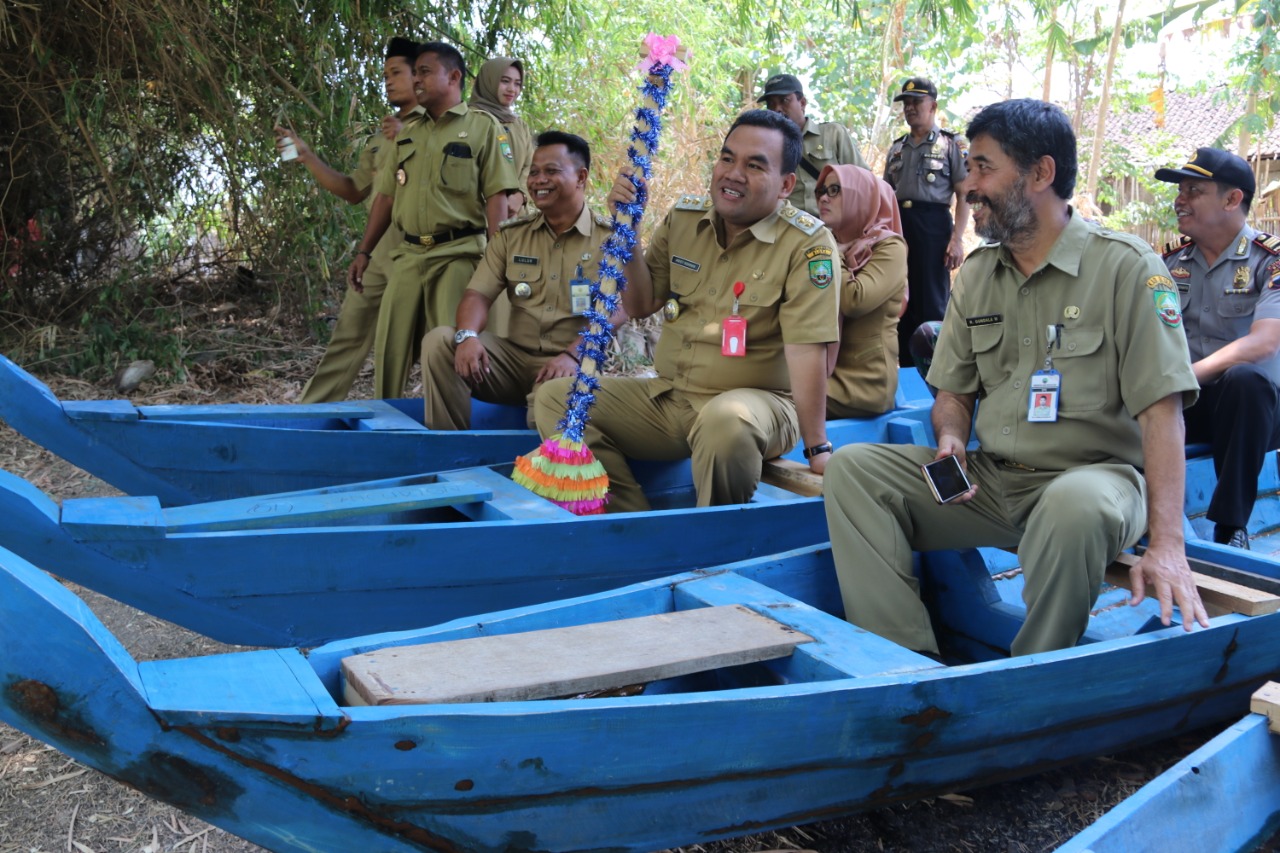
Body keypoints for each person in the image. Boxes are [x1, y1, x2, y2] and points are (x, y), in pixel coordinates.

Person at [823, 98, 1208, 659]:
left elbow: (1162, 411)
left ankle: (1027, 675)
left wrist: (1169, 544)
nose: (969, 185)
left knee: (1072, 506)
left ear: (1040, 174)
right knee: (854, 470)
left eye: (983, 167)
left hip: (1093, 481)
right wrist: (951, 437)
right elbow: (953, 391)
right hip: (992, 480)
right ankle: (906, 666)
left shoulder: (1127, 267)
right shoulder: (978, 275)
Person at [533, 109, 840, 512]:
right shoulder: (684, 218)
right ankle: (631, 523)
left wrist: (817, 446)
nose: (733, 173)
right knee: (558, 399)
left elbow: (807, 351)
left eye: (753, 165)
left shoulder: (808, 245)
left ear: (785, 185)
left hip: (758, 407)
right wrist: (629, 231)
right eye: (727, 158)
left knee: (725, 421)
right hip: (673, 398)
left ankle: (713, 540)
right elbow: (641, 305)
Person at [347, 41, 521, 399]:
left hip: (457, 253)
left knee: (449, 345)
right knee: (390, 347)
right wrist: (364, 251)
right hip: (409, 256)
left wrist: (497, 260)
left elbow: (497, 199)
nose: (417, 80)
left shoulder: (483, 128)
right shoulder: (408, 131)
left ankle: (450, 421)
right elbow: (385, 196)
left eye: (424, 71)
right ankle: (389, 420)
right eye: (415, 73)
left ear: (453, 76)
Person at [422, 131, 630, 429]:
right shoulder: (511, 236)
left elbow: (621, 308)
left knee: (554, 399)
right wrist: (467, 336)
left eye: (551, 171)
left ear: (581, 177)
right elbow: (477, 295)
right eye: (533, 172)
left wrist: (574, 354)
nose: (538, 180)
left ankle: (542, 468)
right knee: (440, 342)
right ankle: (448, 449)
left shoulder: (610, 240)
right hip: (509, 361)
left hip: (569, 362)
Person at [275, 37, 421, 403]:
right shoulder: (379, 138)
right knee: (346, 337)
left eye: (396, 72)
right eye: (385, 74)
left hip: (418, 256)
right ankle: (310, 416)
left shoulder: (438, 129)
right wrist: (307, 156)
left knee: (396, 348)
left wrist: (408, 139)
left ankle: (391, 422)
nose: (388, 81)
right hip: (376, 256)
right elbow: (355, 189)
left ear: (420, 77)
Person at [1154, 147, 1280, 549]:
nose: (1180, 199)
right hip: (1186, 403)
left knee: (1244, 380)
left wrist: (1179, 380)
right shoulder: (1166, 266)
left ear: (1231, 199)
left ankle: (1230, 528)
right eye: (1180, 191)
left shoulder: (1270, 261)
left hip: (1258, 411)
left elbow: (1262, 344)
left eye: (1193, 190)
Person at [884, 77, 970, 368]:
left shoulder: (950, 144)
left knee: (932, 302)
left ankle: (938, 373)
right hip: (899, 226)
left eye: (916, 102)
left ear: (933, 106)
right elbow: (885, 195)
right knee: (900, 301)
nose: (910, 109)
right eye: (906, 104)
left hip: (934, 226)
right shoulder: (896, 149)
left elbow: (963, 193)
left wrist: (956, 239)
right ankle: (907, 371)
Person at [813, 164, 906, 417]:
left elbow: (854, 300)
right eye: (821, 190)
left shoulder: (890, 247)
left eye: (835, 190)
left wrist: (831, 254)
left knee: (772, 401)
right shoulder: (826, 243)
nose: (823, 197)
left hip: (864, 384)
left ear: (862, 197)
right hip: (820, 372)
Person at [757, 73, 867, 218]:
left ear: (802, 103)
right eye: (771, 104)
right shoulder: (766, 147)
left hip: (833, 230)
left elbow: (864, 181)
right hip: (788, 231)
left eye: (784, 100)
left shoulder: (833, 134)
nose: (777, 109)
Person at [470, 57, 533, 220]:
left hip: (516, 219)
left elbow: (531, 165)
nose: (512, 89)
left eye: (517, 83)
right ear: (488, 81)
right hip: (475, 222)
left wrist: (520, 196)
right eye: (505, 81)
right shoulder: (468, 120)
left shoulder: (520, 125)